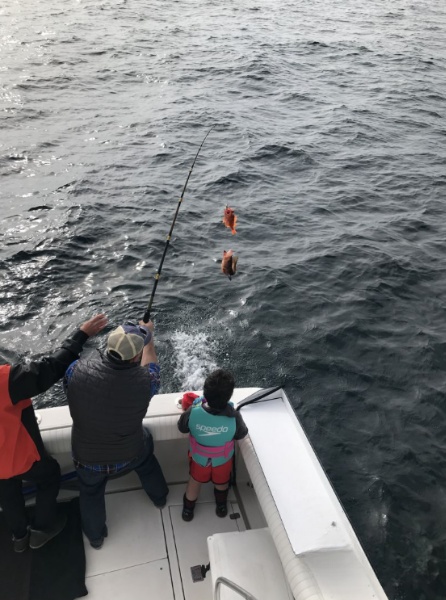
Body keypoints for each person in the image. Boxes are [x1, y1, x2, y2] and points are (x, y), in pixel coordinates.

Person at [0, 313, 108, 553]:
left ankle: (19, 537)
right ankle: (41, 529)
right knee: (49, 475)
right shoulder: (3, 381)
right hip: (20, 460)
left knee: (6, 491)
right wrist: (81, 335)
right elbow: (49, 369)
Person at [64, 320, 168, 549]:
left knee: (90, 492)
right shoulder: (145, 382)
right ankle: (160, 499)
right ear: (135, 358)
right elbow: (152, 368)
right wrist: (149, 339)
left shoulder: (75, 370)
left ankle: (96, 537)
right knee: (147, 456)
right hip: (131, 455)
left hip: (87, 459)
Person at [177, 368, 248, 522]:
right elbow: (241, 433)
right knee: (222, 483)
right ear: (229, 396)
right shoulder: (234, 417)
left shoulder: (192, 411)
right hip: (222, 460)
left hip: (198, 459)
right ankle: (221, 507)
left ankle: (188, 510)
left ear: (205, 392)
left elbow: (182, 427)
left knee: (194, 483)